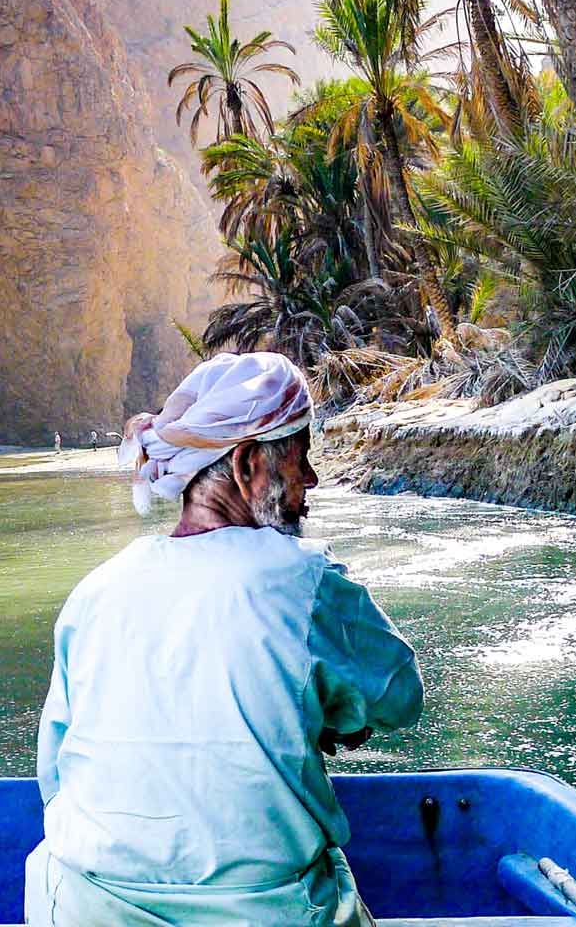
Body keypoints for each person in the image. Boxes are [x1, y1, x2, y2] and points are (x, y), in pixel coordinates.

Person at [26, 351, 422, 927]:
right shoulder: (300, 577)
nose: (309, 479)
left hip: (83, 906)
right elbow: (401, 699)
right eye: (299, 457)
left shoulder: (95, 591)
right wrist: (338, 716)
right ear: (244, 466)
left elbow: (55, 776)